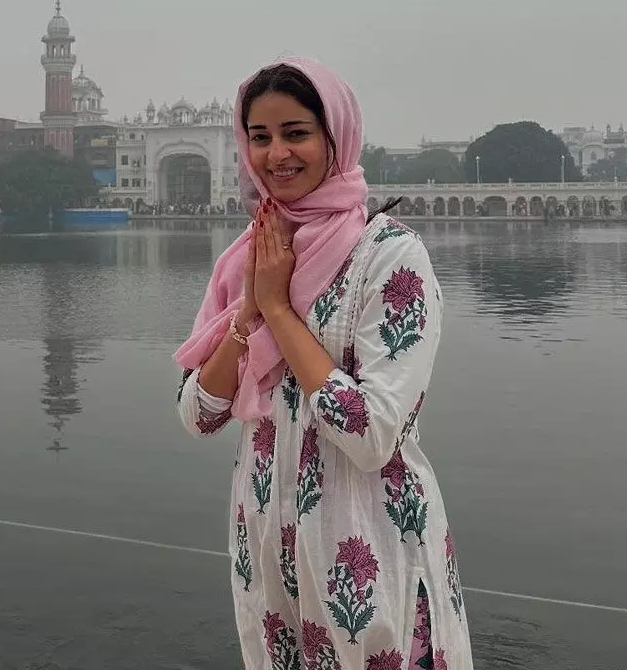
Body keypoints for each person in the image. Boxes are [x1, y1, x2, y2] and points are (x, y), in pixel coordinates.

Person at [174, 57, 473, 670]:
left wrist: (279, 311)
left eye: (296, 133)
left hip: (365, 545)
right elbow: (197, 414)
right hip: (267, 541)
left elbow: (371, 435)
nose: (276, 154)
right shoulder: (251, 255)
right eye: (260, 137)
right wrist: (246, 319)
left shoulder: (388, 258)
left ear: (336, 139)